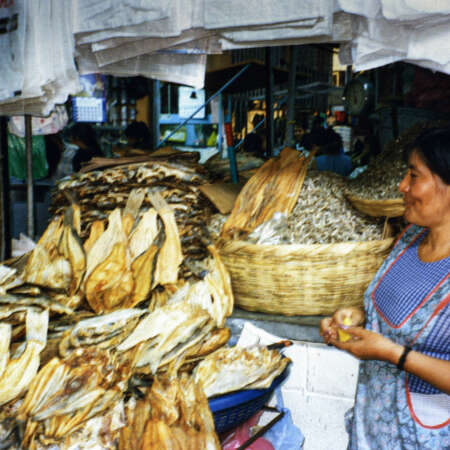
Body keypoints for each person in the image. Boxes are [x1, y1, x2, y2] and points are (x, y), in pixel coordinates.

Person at [320, 127, 450, 449]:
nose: (402, 186)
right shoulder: (409, 238)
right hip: (370, 429)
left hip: (422, 437)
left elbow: (394, 345)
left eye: (414, 176)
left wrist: (393, 354)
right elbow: (391, 311)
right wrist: (355, 318)